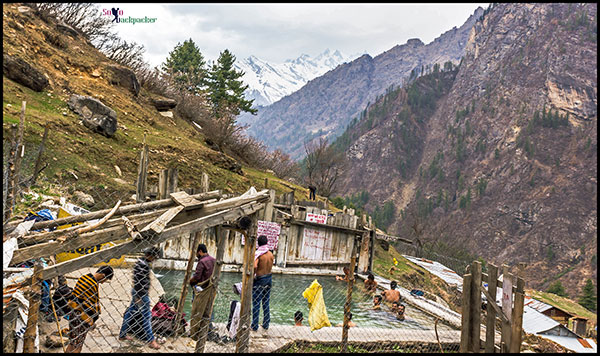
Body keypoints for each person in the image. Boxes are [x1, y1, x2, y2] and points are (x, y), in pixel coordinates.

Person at [119, 246, 162, 349]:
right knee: (146, 317)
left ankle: (122, 334)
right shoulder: (143, 265)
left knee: (130, 312)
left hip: (138, 292)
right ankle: (151, 340)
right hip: (141, 294)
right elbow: (139, 282)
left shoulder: (140, 262)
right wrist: (139, 296)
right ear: (151, 256)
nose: (155, 259)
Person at [65, 265, 114, 353]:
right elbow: (89, 304)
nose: (103, 282)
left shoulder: (84, 277)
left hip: (73, 315)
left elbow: (77, 298)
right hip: (82, 318)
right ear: (103, 276)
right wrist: (90, 319)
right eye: (105, 280)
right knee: (78, 346)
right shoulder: (93, 284)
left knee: (72, 342)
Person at [252, 235, 274, 331]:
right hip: (269, 279)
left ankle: (255, 325)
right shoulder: (270, 254)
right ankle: (266, 324)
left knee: (256, 303)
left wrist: (254, 274)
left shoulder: (259, 254)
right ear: (266, 242)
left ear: (258, 243)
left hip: (260, 280)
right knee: (266, 303)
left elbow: (255, 266)